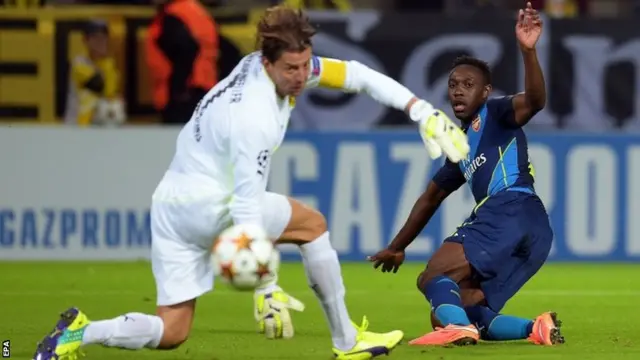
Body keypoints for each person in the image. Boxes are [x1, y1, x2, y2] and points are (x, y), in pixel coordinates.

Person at [32, 6, 469, 360]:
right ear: (268, 62)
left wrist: (421, 111)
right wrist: (265, 287)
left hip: (170, 206)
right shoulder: (253, 117)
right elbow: (244, 205)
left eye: (304, 65)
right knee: (312, 225)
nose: (301, 76)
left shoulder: (262, 66)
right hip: (213, 205)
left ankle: (77, 334)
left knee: (171, 330)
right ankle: (346, 342)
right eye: (292, 68)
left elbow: (356, 75)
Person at [368, 1, 565, 347]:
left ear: (485, 91)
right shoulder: (458, 146)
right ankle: (535, 328)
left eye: (468, 84)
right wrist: (396, 247)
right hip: (535, 233)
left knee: (434, 274)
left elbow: (535, 100)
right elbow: (431, 197)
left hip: (510, 208)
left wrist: (528, 51)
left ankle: (458, 329)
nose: (458, 90)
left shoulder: (496, 112)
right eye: (453, 84)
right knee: (462, 307)